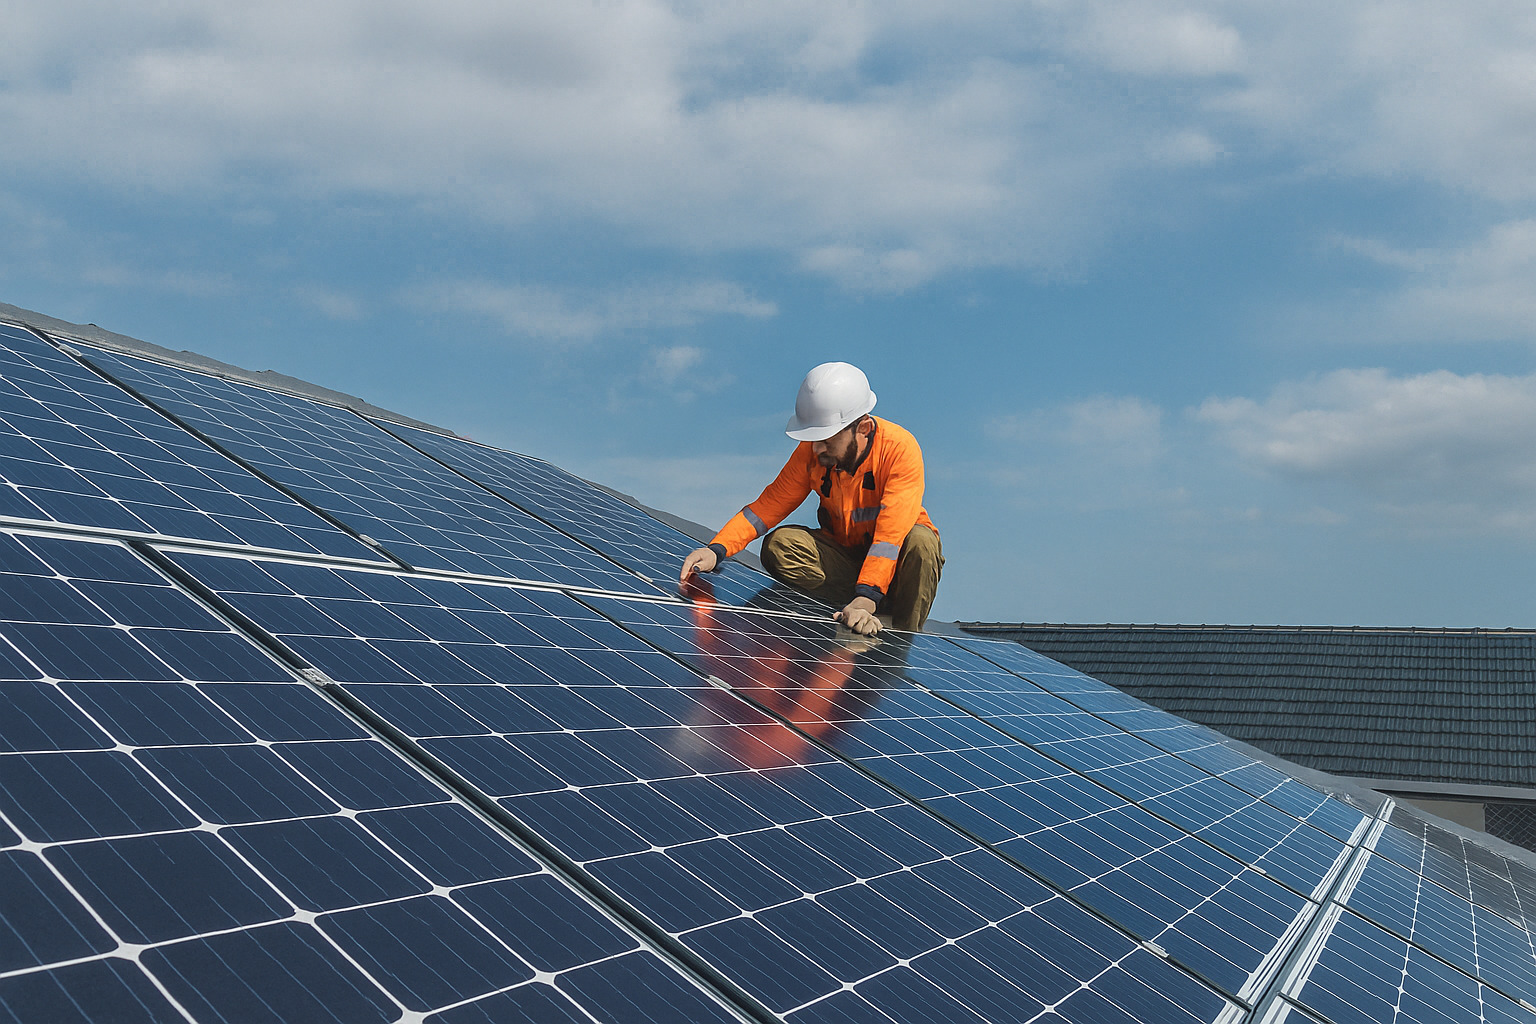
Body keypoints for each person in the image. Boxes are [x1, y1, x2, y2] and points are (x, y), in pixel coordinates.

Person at [679, 362, 942, 635]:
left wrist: (867, 597)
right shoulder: (812, 452)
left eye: (826, 438)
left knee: (921, 543)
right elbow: (768, 506)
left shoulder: (899, 450)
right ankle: (856, 609)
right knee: (780, 546)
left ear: (862, 428)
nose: (816, 448)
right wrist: (716, 549)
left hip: (900, 566)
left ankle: (898, 633)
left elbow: (889, 538)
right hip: (847, 560)